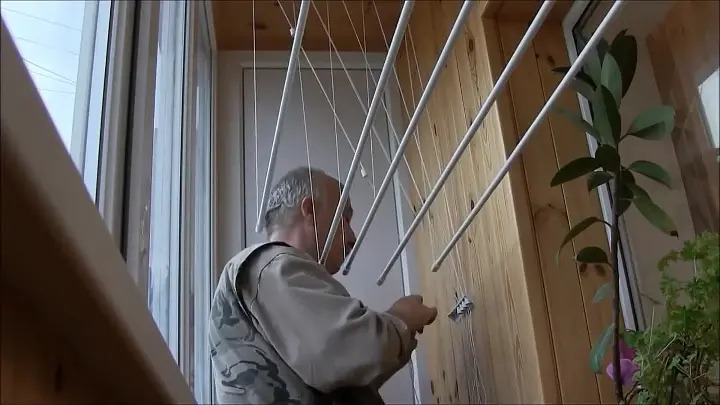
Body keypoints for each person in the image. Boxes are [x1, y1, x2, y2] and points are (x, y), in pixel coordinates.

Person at [209, 167, 438, 404]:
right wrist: (401, 319)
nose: (352, 237)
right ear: (309, 210)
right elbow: (341, 351)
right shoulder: (270, 267)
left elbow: (337, 380)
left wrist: (398, 336)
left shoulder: (266, 275)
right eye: (345, 218)